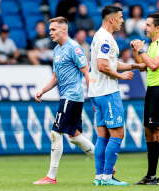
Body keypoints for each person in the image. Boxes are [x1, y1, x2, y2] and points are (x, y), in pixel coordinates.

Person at [33, 17, 95, 185]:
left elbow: (87, 72)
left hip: (72, 96)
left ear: (64, 30)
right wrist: (42, 90)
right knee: (74, 136)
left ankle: (51, 177)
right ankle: (105, 165)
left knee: (55, 133)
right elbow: (55, 78)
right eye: (50, 29)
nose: (50, 32)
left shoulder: (74, 48)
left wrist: (93, 95)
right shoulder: (56, 50)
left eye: (53, 29)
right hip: (67, 96)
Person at [88, 5, 146, 186]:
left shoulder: (98, 36)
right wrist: (120, 76)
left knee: (103, 136)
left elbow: (110, 63)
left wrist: (133, 66)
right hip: (107, 92)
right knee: (118, 133)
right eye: (120, 17)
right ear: (111, 19)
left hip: (96, 92)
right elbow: (102, 65)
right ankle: (107, 177)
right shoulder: (106, 38)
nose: (122, 20)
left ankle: (99, 177)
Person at [131, 13, 159, 185]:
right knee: (149, 132)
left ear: (158, 28)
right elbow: (144, 67)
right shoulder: (153, 44)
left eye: (148, 25)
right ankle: (150, 175)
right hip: (152, 90)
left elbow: (155, 65)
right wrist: (136, 51)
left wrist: (141, 50)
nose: (144, 27)